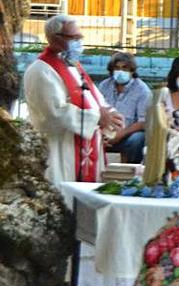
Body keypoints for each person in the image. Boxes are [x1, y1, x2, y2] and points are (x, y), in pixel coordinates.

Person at [24, 14, 121, 184]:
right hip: (61, 149)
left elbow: (95, 99)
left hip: (86, 146)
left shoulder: (73, 66)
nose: (79, 42)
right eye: (74, 38)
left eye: (80, 37)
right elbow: (53, 113)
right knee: (66, 201)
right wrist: (97, 118)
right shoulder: (41, 70)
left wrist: (111, 116)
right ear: (55, 38)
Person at [97, 51, 152, 164]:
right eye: (117, 68)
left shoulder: (142, 90)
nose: (120, 72)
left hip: (127, 134)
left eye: (125, 68)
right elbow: (97, 110)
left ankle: (130, 172)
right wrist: (103, 134)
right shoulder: (104, 86)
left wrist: (119, 135)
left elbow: (143, 122)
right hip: (104, 132)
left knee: (137, 139)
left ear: (132, 71)